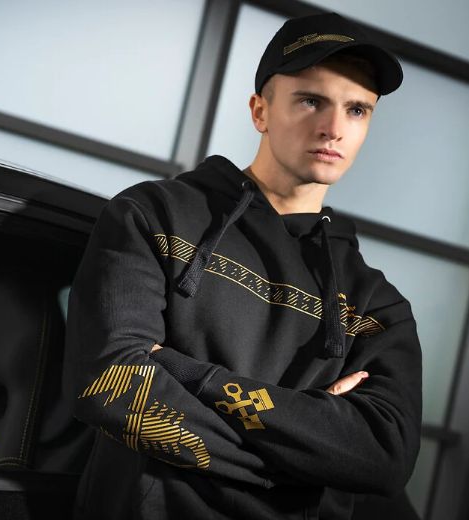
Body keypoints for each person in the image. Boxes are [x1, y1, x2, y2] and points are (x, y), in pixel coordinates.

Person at [66, 11, 421, 520]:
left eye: (357, 110)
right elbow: (111, 387)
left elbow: (383, 458)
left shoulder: (375, 304)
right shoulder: (153, 215)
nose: (334, 129)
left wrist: (181, 370)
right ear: (260, 111)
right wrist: (307, 455)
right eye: (311, 100)